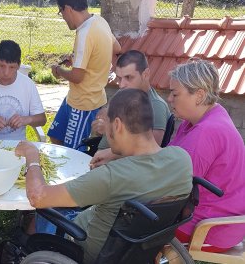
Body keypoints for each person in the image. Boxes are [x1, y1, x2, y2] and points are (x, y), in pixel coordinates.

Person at [16, 88, 193, 264]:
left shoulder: (111, 176)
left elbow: (37, 197)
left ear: (117, 125)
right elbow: (146, 163)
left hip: (87, 248)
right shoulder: (182, 159)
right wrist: (115, 153)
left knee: (48, 209)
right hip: (138, 246)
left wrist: (33, 156)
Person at [167, 60, 245, 252]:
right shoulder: (200, 120)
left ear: (199, 96)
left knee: (130, 223)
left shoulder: (206, 132)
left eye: (175, 94)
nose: (169, 98)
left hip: (209, 228)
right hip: (213, 219)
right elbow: (165, 160)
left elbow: (173, 187)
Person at [47, 0, 121, 150]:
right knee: (54, 135)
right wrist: (79, 60)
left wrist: (59, 71)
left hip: (84, 103)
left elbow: (77, 77)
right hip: (76, 98)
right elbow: (116, 48)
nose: (63, 18)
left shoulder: (84, 34)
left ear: (67, 8)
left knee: (73, 150)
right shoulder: (100, 21)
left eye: (61, 13)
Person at [90, 50, 171, 168]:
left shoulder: (156, 106)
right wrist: (100, 127)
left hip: (122, 170)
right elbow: (101, 126)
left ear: (146, 74)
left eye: (128, 77)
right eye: (119, 78)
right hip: (100, 162)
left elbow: (150, 153)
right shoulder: (122, 94)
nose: (121, 84)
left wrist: (110, 154)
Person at [0, 40, 46, 141]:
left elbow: (42, 119)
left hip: (17, 148)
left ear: (19, 66)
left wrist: (26, 119)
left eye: (12, 67)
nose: (6, 73)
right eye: (1, 66)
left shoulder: (27, 84)